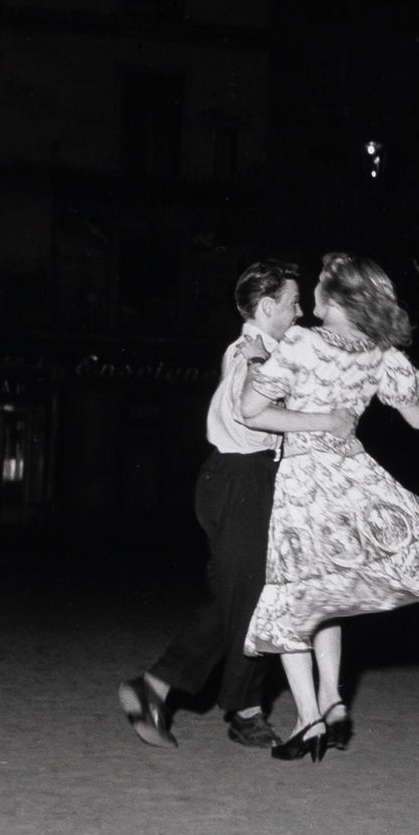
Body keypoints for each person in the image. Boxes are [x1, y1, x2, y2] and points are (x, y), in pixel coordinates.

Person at [241, 251, 419, 762]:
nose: (314, 291)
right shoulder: (381, 353)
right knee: (329, 594)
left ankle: (310, 720)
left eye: (321, 283)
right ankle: (333, 699)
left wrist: (298, 400)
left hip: (306, 483)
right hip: (354, 479)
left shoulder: (301, 342)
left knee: (294, 600)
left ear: (339, 298)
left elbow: (252, 412)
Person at [118, 260, 353, 749]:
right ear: (267, 307)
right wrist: (325, 421)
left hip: (248, 480)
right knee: (248, 597)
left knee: (247, 597)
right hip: (240, 478)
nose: (300, 311)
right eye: (292, 303)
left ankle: (217, 701)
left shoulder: (266, 350)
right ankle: (216, 701)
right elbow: (254, 418)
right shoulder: (251, 355)